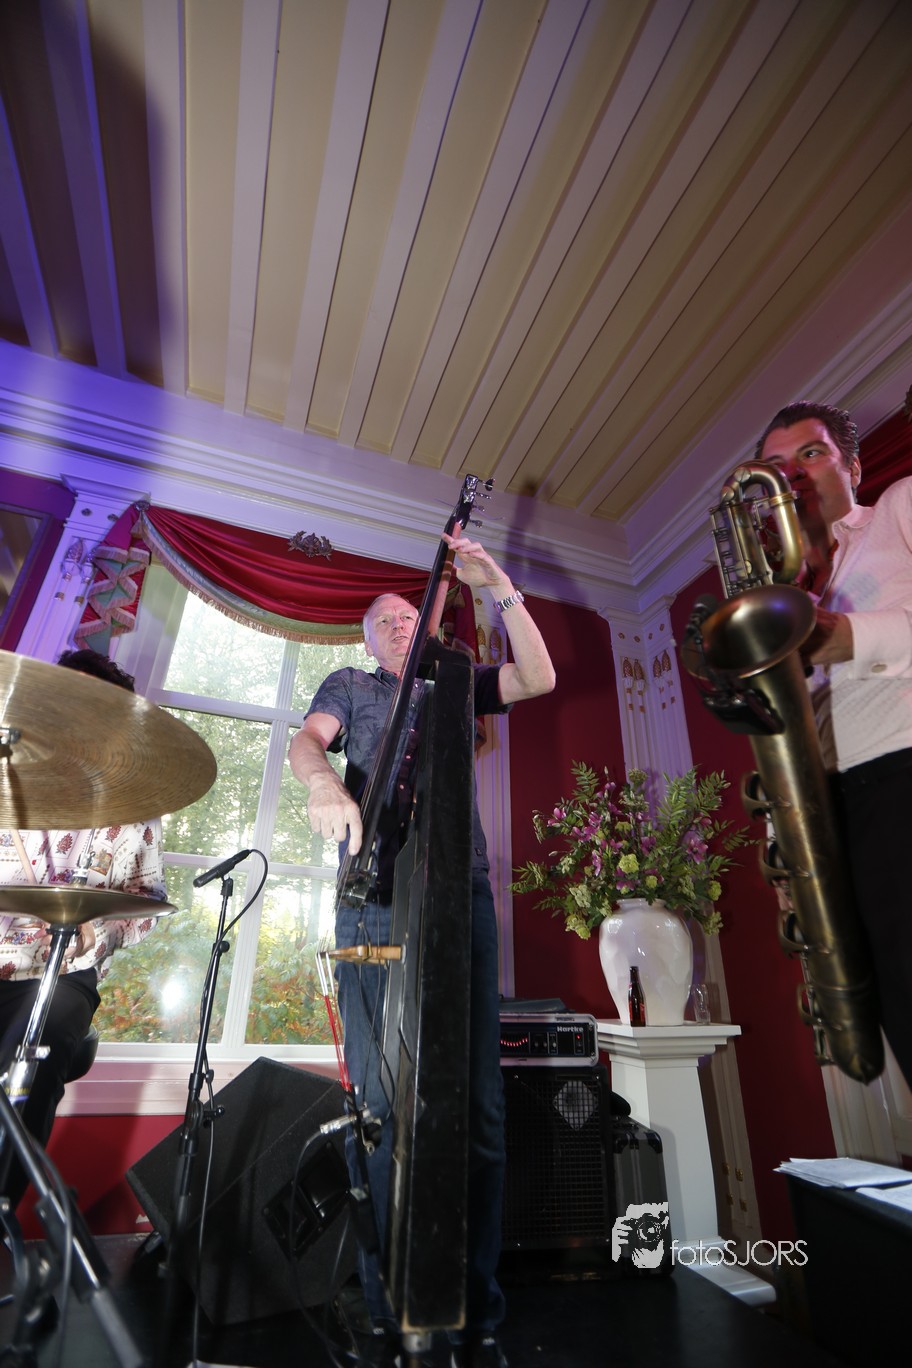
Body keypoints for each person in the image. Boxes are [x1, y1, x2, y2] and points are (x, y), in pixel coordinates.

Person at [288, 532, 555, 1368]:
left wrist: (497, 583)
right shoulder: (353, 685)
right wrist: (322, 781)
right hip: (372, 904)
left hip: (458, 897)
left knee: (478, 1104)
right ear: (366, 640)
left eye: (409, 615)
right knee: (382, 1103)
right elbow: (307, 740)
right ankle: (388, 1304)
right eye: (383, 620)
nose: (399, 625)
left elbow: (539, 677)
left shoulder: (455, 683)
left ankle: (471, 1310)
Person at [755, 399, 912, 1090]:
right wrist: (787, 844)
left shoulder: (899, 507)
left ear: (854, 465)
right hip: (839, 821)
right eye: (775, 466)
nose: (792, 475)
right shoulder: (785, 590)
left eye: (811, 453)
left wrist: (843, 637)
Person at [0, 648, 165, 1208]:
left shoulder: (135, 808)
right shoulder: (8, 775)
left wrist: (100, 931)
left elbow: (145, 904)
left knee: (34, 1053)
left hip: (61, 974)